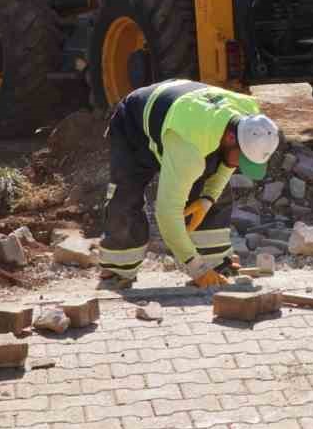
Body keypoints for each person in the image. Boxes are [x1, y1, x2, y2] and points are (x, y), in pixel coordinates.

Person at [96, 80, 281, 288]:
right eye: (243, 159)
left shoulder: (249, 119)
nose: (239, 166)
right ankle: (116, 269)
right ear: (230, 137)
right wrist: (196, 268)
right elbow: (167, 214)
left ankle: (214, 261)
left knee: (212, 179)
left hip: (185, 117)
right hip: (134, 124)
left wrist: (207, 199)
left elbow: (228, 163)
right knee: (125, 197)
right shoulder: (189, 149)